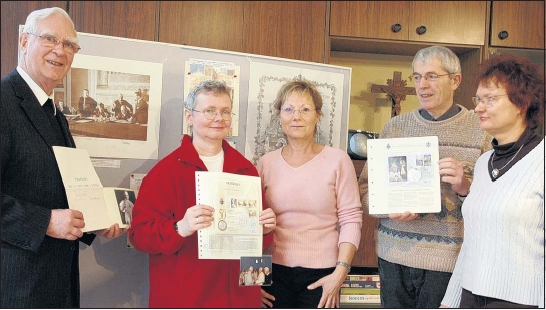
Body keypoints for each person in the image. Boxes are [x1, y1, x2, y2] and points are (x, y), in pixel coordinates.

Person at [1, 7, 126, 308]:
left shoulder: (54, 113)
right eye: (49, 39)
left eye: (69, 44)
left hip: (56, 285)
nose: (60, 50)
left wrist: (95, 219)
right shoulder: (4, 102)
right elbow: (47, 215)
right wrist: (44, 221)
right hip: (15, 287)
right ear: (23, 42)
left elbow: (59, 188)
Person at [358, 45, 493, 308]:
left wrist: (465, 186)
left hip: (449, 261)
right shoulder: (395, 128)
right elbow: (366, 190)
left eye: (432, 76)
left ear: (455, 80)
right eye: (417, 77)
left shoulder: (480, 130)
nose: (422, 85)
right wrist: (387, 209)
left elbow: (496, 199)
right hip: (393, 255)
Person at [128, 80, 277, 308]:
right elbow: (138, 236)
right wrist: (180, 228)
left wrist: (264, 233)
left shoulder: (246, 169)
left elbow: (254, 244)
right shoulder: (165, 173)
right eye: (209, 111)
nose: (219, 118)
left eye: (225, 111)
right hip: (185, 298)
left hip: (237, 300)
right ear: (189, 117)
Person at [440, 55, 544, 308]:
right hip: (470, 296)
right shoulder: (483, 162)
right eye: (479, 99)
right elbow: (472, 243)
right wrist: (450, 302)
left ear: (522, 103)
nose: (478, 108)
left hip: (521, 301)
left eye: (491, 99)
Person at [258, 80, 363, 308]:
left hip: (324, 275)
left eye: (305, 109)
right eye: (289, 109)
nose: (296, 116)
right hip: (272, 274)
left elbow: (351, 220)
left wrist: (340, 273)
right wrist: (252, 281)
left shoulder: (338, 160)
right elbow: (251, 224)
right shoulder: (265, 163)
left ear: (318, 116)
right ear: (279, 116)